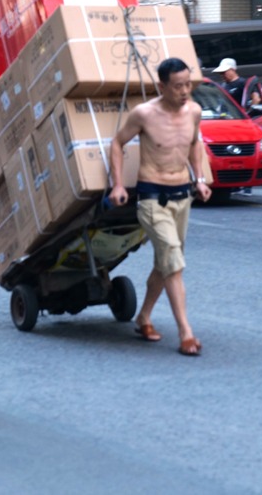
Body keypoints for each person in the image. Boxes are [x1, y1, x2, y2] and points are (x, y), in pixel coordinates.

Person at [108, 57, 212, 357]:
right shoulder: (144, 114)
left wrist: (199, 179)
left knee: (165, 263)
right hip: (153, 199)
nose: (185, 91)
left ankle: (143, 317)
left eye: (188, 85)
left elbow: (194, 143)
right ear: (161, 86)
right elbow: (117, 143)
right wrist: (118, 184)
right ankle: (186, 333)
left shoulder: (194, 111)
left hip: (182, 197)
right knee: (173, 263)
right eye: (178, 86)